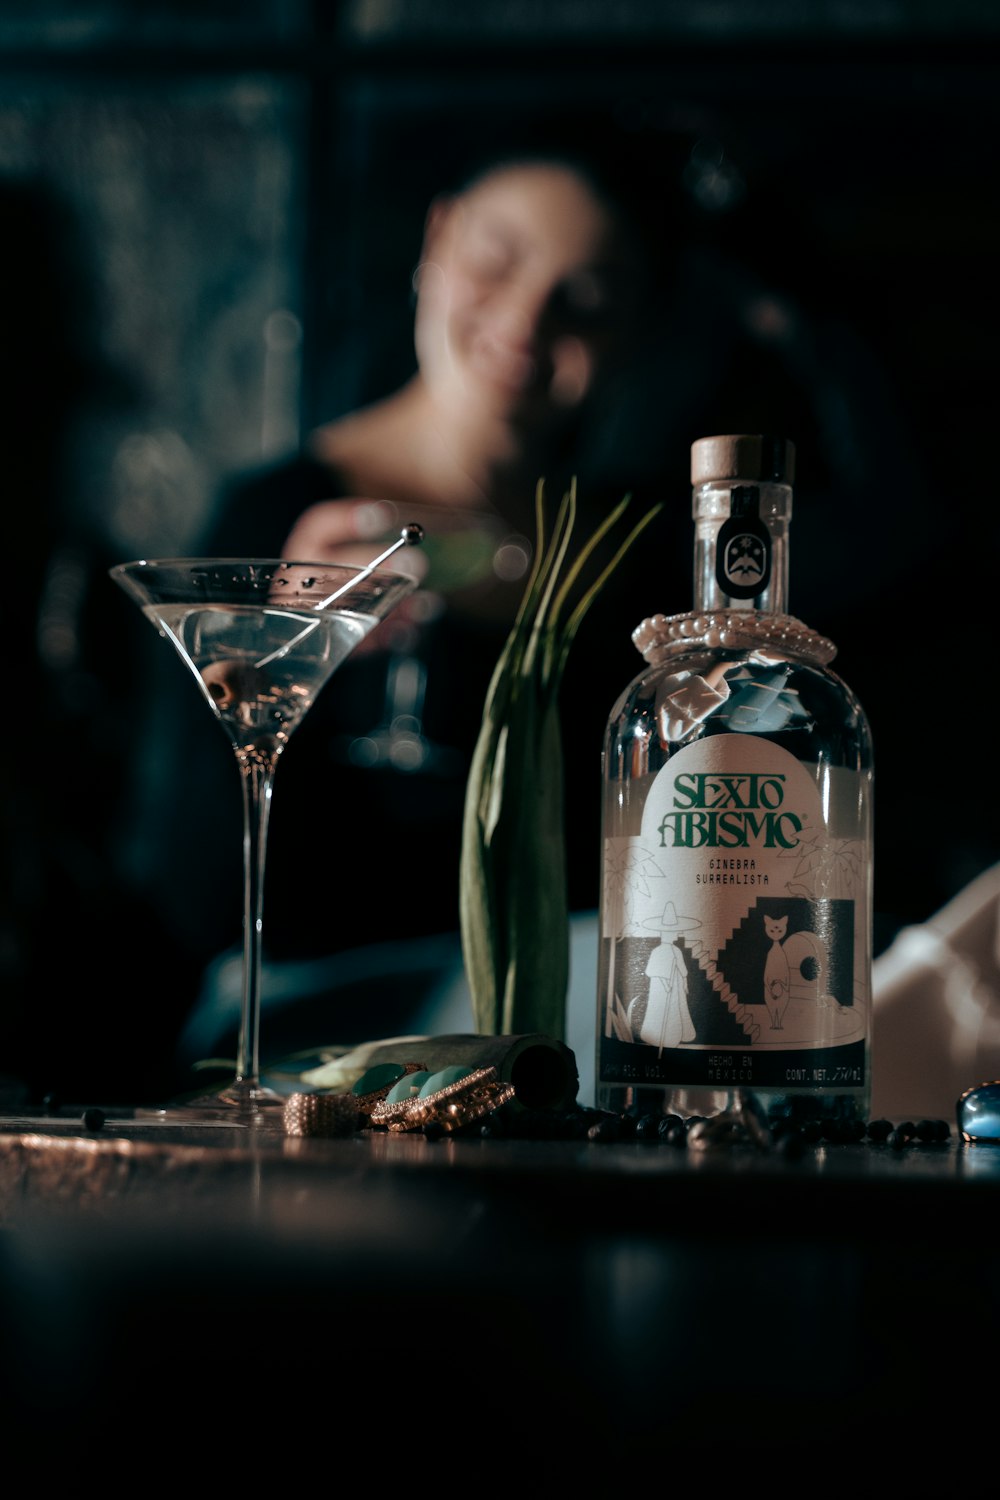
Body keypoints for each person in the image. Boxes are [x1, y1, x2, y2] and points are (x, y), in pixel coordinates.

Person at [125, 136, 689, 1078]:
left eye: (585, 295)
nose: (525, 314)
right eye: (498, 259)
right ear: (437, 239)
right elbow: (184, 899)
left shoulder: (631, 562)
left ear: (636, 330)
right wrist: (281, 668)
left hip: (557, 1049)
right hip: (309, 1043)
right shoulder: (271, 519)